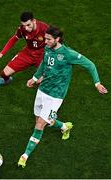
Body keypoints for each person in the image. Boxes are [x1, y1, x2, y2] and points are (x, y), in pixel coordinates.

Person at [17, 26, 108, 168]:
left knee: (40, 124)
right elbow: (44, 64)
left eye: (48, 39)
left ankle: (24, 156)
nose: (45, 41)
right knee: (43, 120)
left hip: (56, 95)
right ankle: (65, 126)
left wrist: (97, 83)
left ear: (57, 39)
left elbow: (90, 65)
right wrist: (35, 78)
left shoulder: (68, 54)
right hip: (42, 90)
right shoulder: (47, 48)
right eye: (45, 38)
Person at [0, 11, 48, 86]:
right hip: (28, 53)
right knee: (4, 74)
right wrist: (1, 53)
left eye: (28, 25)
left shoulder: (44, 28)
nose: (26, 28)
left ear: (34, 21)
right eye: (24, 25)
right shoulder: (22, 28)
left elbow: (55, 42)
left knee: (44, 80)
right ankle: (7, 80)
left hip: (42, 54)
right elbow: (14, 39)